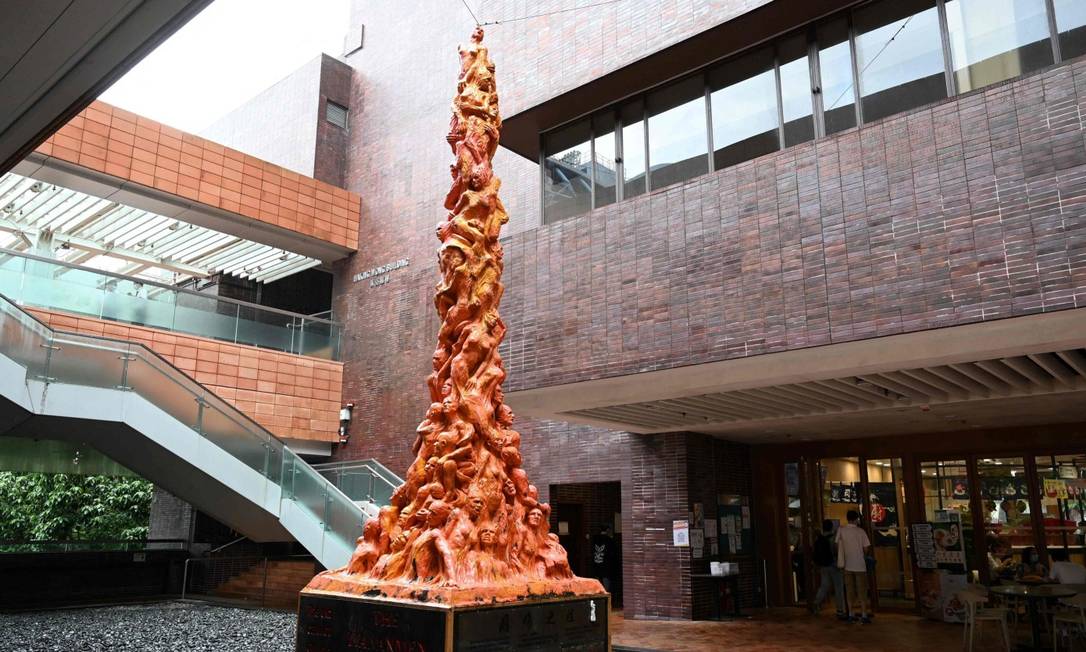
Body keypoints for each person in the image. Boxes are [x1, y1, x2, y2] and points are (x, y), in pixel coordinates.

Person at [837, 509, 873, 624]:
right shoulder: (861, 532)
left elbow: (837, 545)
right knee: (862, 590)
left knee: (849, 590)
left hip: (847, 565)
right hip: (860, 565)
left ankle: (851, 613)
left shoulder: (841, 530)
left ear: (847, 518)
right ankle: (863, 614)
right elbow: (866, 549)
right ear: (856, 519)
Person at [812, 519, 847, 620]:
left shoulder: (819, 539)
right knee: (838, 587)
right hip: (834, 566)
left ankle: (816, 603)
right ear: (832, 527)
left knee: (824, 586)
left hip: (823, 566)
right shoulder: (833, 539)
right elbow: (836, 552)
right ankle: (840, 610)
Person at [590, 524, 617, 592]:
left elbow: (592, 549)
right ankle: (606, 596)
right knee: (606, 579)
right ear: (607, 530)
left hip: (596, 562)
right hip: (606, 564)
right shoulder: (609, 540)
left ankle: (598, 595)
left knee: (597, 579)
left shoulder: (595, 538)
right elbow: (612, 553)